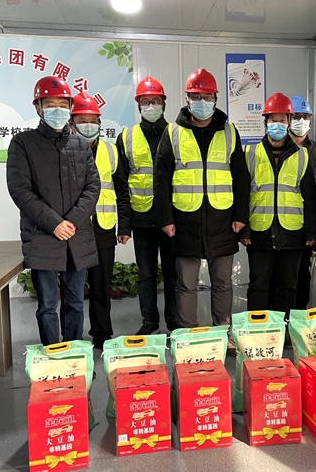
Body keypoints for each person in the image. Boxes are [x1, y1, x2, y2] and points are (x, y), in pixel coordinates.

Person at [154, 68, 250, 354]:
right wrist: (166, 219)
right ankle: (188, 336)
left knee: (223, 283)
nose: (202, 102)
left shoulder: (229, 132)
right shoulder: (173, 132)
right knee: (186, 284)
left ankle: (223, 333)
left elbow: (241, 177)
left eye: (207, 96)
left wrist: (240, 217)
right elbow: (161, 178)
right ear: (187, 98)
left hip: (223, 220)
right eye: (196, 96)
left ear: (216, 98)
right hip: (185, 221)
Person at [7, 76, 100, 346]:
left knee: (75, 303)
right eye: (50, 104)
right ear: (38, 108)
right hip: (43, 236)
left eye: (62, 104)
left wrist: (72, 221)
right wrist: (54, 223)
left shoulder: (80, 145)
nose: (57, 110)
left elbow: (93, 186)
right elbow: (20, 189)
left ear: (70, 107)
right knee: (47, 305)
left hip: (77, 237)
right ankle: (52, 356)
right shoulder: (23, 143)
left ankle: (74, 356)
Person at [240, 93, 316, 327]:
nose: (277, 125)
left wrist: (311, 232)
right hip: (259, 233)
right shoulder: (251, 153)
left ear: (289, 121)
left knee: (288, 287)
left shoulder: (302, 155)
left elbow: (311, 197)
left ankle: (282, 332)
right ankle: (257, 330)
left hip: (292, 233)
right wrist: (244, 229)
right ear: (265, 122)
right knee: (258, 287)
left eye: (282, 120)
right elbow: (243, 194)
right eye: (273, 120)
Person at [117, 76, 180, 336]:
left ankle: (174, 321)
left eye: (155, 101)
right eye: (145, 102)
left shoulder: (177, 133)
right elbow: (121, 183)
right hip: (142, 218)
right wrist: (125, 225)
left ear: (164, 103)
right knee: (146, 274)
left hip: (173, 218)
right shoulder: (127, 136)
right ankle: (150, 321)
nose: (151, 106)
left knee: (174, 273)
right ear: (138, 105)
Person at [69, 92, 125, 350]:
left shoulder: (111, 151)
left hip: (103, 227)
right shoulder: (63, 149)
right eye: (83, 120)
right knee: (73, 289)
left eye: (93, 120)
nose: (88, 125)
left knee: (101, 286)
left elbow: (122, 191)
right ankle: (72, 339)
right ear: (72, 123)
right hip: (75, 229)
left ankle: (102, 335)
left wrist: (124, 226)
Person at [267, 95, 316, 310]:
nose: (301, 121)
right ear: (288, 119)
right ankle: (274, 317)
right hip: (276, 223)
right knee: (275, 274)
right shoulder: (272, 148)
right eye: (296, 117)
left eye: (306, 117)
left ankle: (298, 316)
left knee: (302, 272)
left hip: (305, 224)